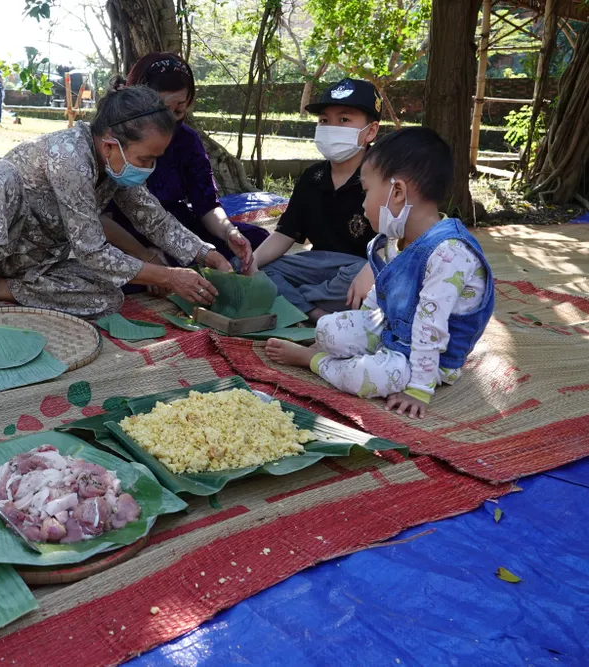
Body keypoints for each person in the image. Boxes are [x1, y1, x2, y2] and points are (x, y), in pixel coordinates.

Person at [0, 84, 234, 318]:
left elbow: (154, 220)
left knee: (108, 297)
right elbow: (91, 251)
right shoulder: (69, 156)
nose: (150, 166)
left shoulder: (116, 163)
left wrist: (206, 254)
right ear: (111, 145)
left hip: (30, 259)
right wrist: (169, 276)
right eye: (146, 157)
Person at [265, 127, 495, 420]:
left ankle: (315, 361)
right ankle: (337, 351)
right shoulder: (390, 240)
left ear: (397, 192)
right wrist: (356, 328)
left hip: (431, 356)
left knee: (373, 376)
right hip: (391, 331)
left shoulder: (448, 253)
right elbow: (378, 300)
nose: (362, 204)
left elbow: (430, 327)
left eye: (366, 191)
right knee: (328, 328)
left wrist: (419, 390)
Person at [102, 53, 263, 276]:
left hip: (173, 227)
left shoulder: (187, 141)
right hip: (125, 232)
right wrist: (144, 254)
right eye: (145, 159)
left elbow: (198, 207)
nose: (169, 123)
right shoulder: (112, 146)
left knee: (253, 241)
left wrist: (228, 232)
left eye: (178, 110)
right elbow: (98, 222)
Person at [252, 78, 382, 323]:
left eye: (344, 120)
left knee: (374, 277)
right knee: (258, 268)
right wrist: (251, 265)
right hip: (317, 267)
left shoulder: (382, 178)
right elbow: (284, 234)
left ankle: (290, 302)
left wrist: (371, 267)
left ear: (371, 131)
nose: (331, 127)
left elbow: (398, 242)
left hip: (360, 271)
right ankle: (315, 313)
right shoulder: (312, 177)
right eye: (324, 120)